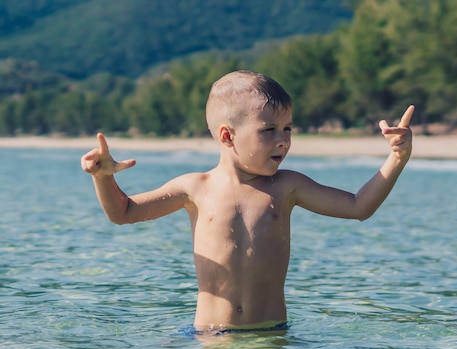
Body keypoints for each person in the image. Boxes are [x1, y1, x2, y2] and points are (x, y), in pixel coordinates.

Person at [81, 70, 414, 335]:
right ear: (228, 136)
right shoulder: (195, 187)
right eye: (268, 129)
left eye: (287, 128)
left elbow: (358, 207)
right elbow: (123, 213)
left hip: (271, 334)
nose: (283, 140)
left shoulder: (287, 187)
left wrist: (397, 158)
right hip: (209, 335)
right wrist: (104, 177)